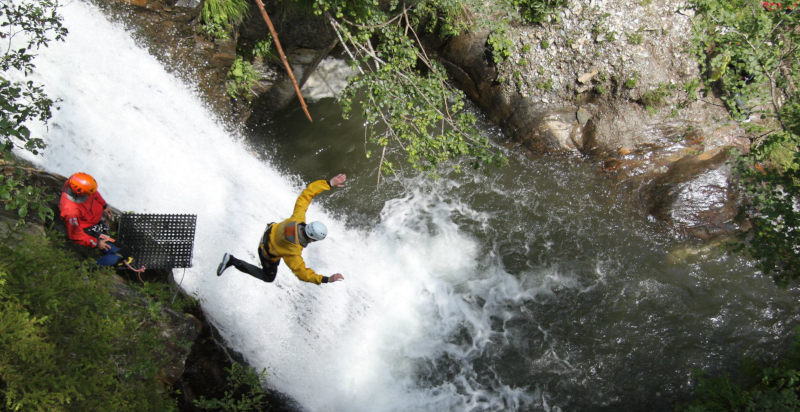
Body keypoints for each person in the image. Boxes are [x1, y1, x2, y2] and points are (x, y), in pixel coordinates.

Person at [216, 173, 346, 285]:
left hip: (269, 231)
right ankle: (232, 261)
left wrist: (329, 183)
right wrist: (326, 279)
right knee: (268, 277)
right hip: (266, 250)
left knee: (277, 256)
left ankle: (236, 260)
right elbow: (302, 274)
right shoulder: (292, 252)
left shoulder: (297, 218)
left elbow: (307, 194)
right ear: (313, 239)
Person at [58, 172, 143, 272]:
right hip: (89, 231)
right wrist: (97, 243)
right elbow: (75, 235)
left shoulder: (76, 184)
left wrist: (104, 205)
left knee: (122, 249)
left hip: (95, 224)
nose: (92, 193)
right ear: (80, 192)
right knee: (122, 253)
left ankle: (111, 257)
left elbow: (94, 193)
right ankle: (87, 270)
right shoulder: (70, 211)